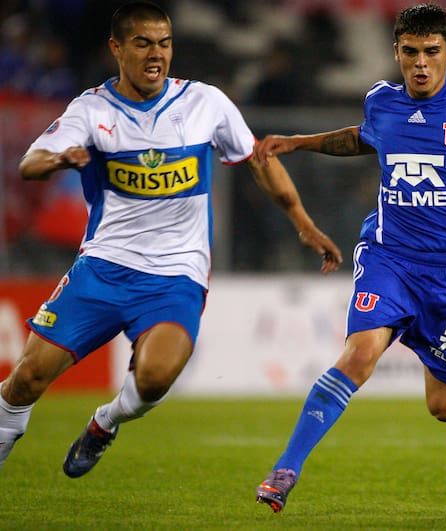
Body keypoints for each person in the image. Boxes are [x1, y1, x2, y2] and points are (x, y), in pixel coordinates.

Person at [0, 1, 342, 477]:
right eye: (142, 43)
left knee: (156, 378)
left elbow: (257, 159)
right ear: (117, 48)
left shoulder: (206, 103)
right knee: (27, 379)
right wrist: (59, 160)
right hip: (102, 266)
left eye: (164, 43)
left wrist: (303, 223)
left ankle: (106, 421)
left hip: (175, 274)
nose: (156, 53)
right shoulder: (92, 109)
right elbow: (30, 162)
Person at [253, 3, 446, 512]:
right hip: (389, 255)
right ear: (396, 52)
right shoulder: (382, 101)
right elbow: (361, 138)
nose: (420, 63)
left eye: (430, 52)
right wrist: (300, 142)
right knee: (359, 355)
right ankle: (286, 469)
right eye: (409, 52)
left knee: (440, 405)